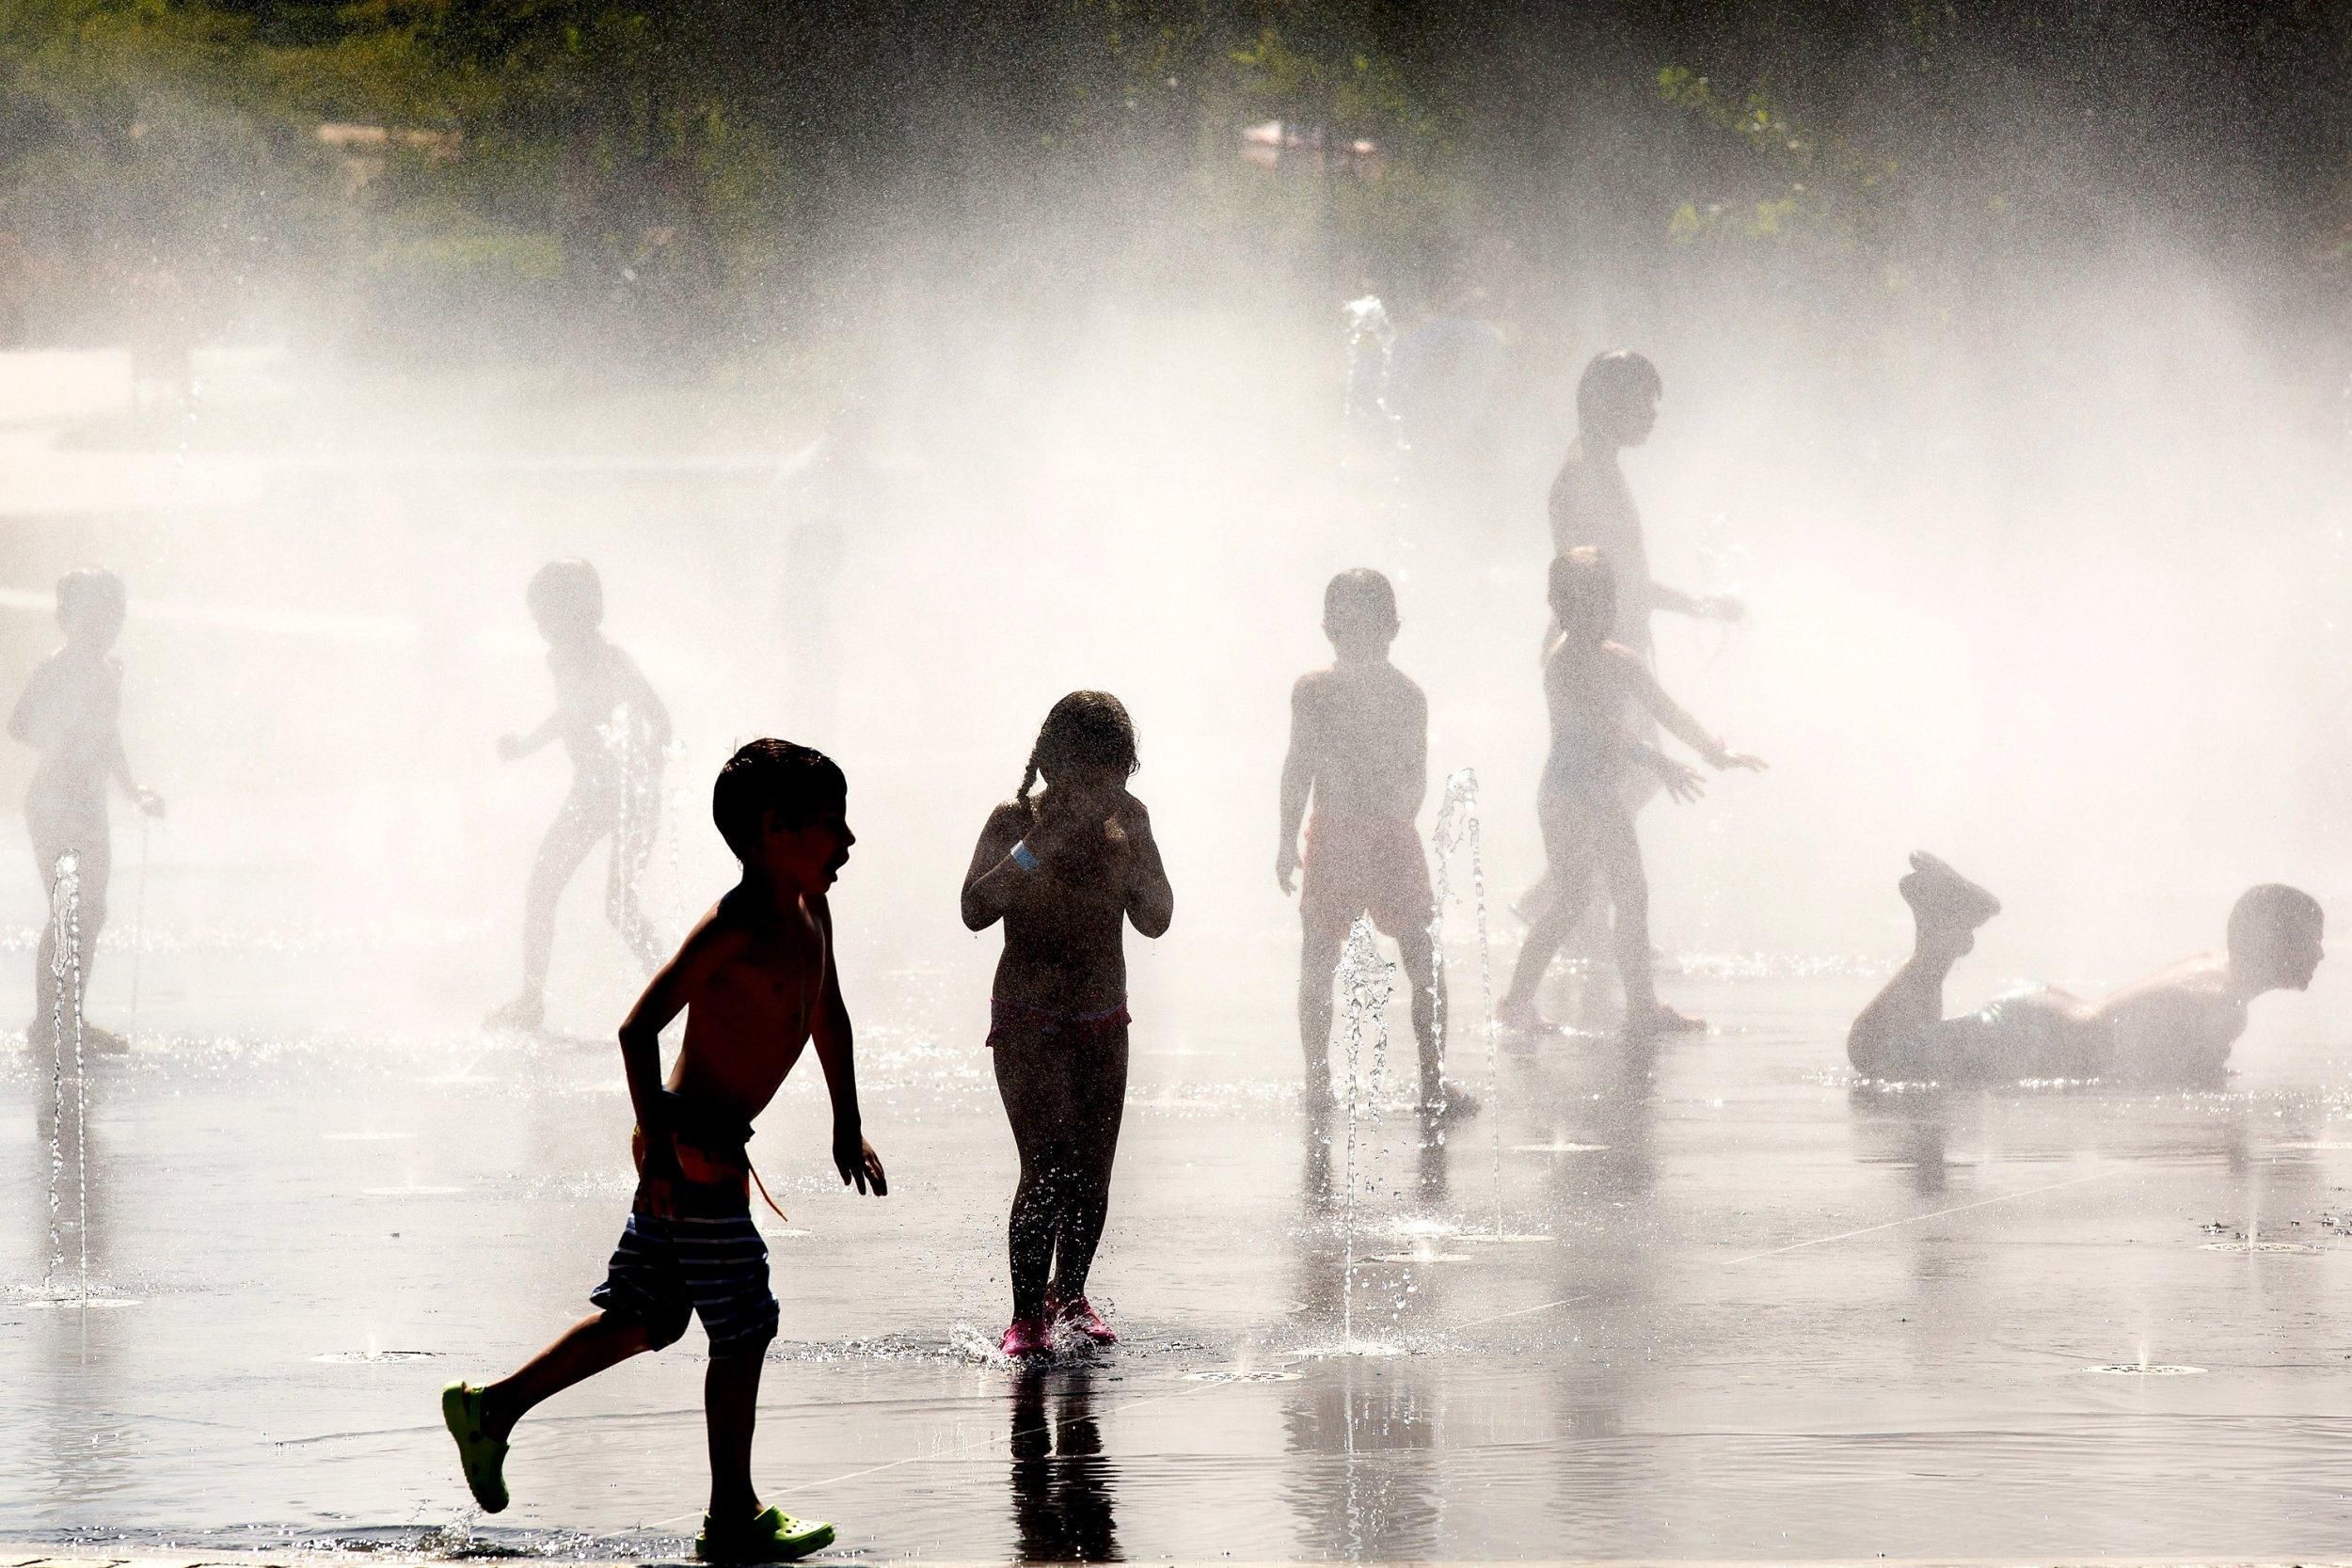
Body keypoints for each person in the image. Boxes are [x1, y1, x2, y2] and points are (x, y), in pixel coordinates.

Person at [442, 739, 886, 1563]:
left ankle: (491, 1409)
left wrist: (844, 1119)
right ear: (774, 829)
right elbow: (637, 1027)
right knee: (743, 1326)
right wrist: (656, 1154)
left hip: (704, 1147)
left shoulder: (810, 910)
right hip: (693, 1149)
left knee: (647, 1315)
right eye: (833, 825)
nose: (850, 841)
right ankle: (732, 1515)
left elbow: (829, 1011)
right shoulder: (735, 925)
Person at [961, 691, 1173, 1359]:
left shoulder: (1128, 820)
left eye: (1105, 775)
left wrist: (1132, 848)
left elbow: (1157, 916)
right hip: (1028, 1016)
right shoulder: (1014, 819)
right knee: (1045, 1165)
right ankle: (1025, 1315)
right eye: (1078, 774)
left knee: (1091, 1172)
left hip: (1102, 1015)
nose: (1089, 789)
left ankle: (1071, 1292)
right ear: (1049, 764)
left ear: (1121, 772)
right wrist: (1037, 844)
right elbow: (975, 907)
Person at [1499, 549, 1764, 1036]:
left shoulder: (1621, 660)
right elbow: (1596, 730)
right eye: (1584, 603)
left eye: (1605, 601)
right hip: (1571, 793)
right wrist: (1655, 760)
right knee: (1592, 897)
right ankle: (1555, 1005)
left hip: (1592, 793)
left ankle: (1554, 1004)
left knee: (1606, 897)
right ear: (1560, 605)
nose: (1598, 612)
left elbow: (1666, 709)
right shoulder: (1562, 665)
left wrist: (1713, 751)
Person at [1847, 855, 2324, 1085]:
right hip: (2030, 1038)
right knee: (1872, 1053)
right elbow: (2145, 1074)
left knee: (1893, 1050)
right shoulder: (2223, 1005)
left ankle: (1943, 929)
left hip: (2038, 1022)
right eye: (2311, 940)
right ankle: (1940, 931)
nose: (2320, 954)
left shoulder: (2213, 967)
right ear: (2273, 943)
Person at [1277, 568, 1466, 1117]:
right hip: (1376, 833)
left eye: (1366, 626)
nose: (1359, 638)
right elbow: (1414, 776)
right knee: (1416, 960)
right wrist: (1289, 839)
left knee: (1324, 958)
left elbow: (1300, 770)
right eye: (1352, 627)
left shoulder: (1326, 691)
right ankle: (1428, 1081)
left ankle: (1323, 1081)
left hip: (1347, 832)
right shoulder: (1400, 694)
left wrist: (1288, 841)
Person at [488, 559, 671, 1031]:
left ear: (578, 611)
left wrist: (648, 769)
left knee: (620, 907)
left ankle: (683, 993)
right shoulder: (560, 658)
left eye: (546, 614)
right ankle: (531, 1001)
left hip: (630, 794)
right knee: (542, 887)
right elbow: (568, 712)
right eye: (537, 616)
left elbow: (660, 716)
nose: (540, 625)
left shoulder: (611, 660)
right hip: (590, 793)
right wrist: (527, 745)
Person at [10, 567, 164, 1053]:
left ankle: (70, 1019)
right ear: (68, 619)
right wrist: (61, 743)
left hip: (90, 804)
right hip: (54, 802)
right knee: (67, 910)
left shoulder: (109, 668)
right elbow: (17, 724)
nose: (102, 627)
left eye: (110, 616)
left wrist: (133, 789)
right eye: (91, 617)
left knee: (92, 911)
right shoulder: (56, 668)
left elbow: (109, 736)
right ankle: (45, 1024)